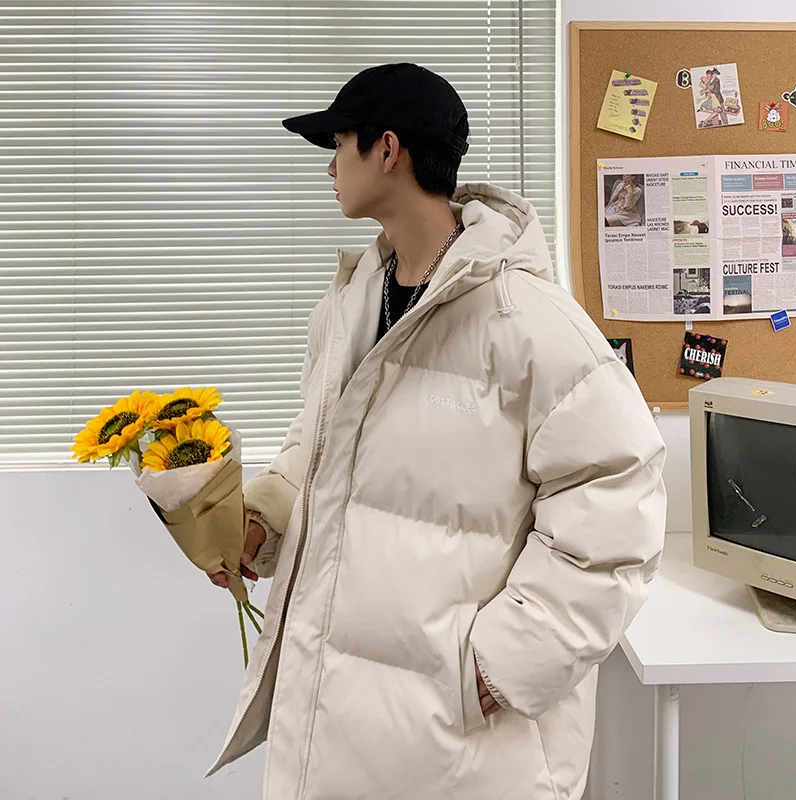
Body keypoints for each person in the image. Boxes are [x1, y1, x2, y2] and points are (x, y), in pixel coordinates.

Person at [206, 62, 667, 800]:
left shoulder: (528, 318)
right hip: (340, 714)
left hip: (460, 741)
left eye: (340, 143)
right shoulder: (350, 304)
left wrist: (506, 661)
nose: (329, 166)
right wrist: (265, 519)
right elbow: (318, 441)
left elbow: (619, 500)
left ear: (387, 150)